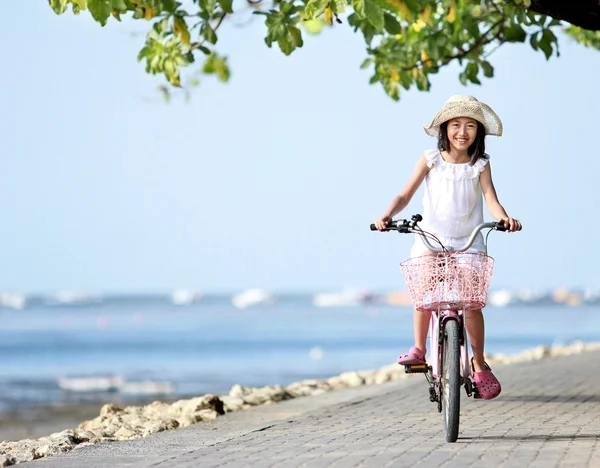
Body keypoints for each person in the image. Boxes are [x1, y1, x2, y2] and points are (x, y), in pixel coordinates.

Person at [373, 94, 522, 400]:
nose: (462, 132)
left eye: (470, 126)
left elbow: (491, 199)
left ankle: (478, 360)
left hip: (468, 240)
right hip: (431, 237)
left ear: (478, 133)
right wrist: (388, 214)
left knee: (472, 302)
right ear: (445, 128)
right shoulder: (431, 159)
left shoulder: (480, 164)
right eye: (456, 125)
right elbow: (405, 194)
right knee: (424, 292)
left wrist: (504, 217)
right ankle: (418, 348)